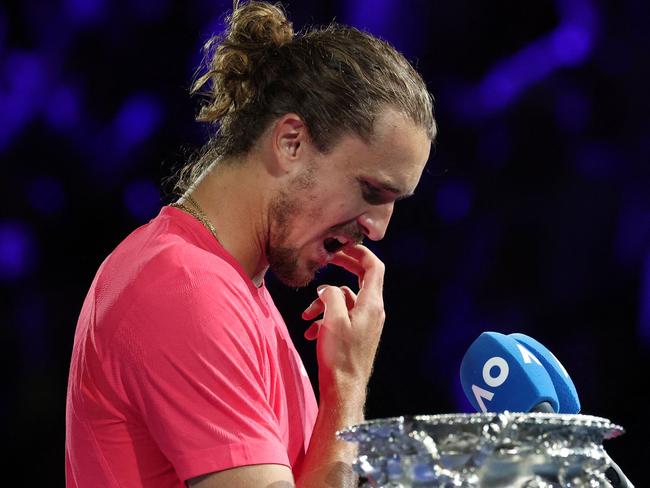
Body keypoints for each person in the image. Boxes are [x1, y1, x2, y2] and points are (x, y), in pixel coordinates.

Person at [65, 1, 436, 487]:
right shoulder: (186, 290)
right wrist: (346, 383)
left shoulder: (226, 287)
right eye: (371, 191)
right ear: (291, 142)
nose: (379, 229)